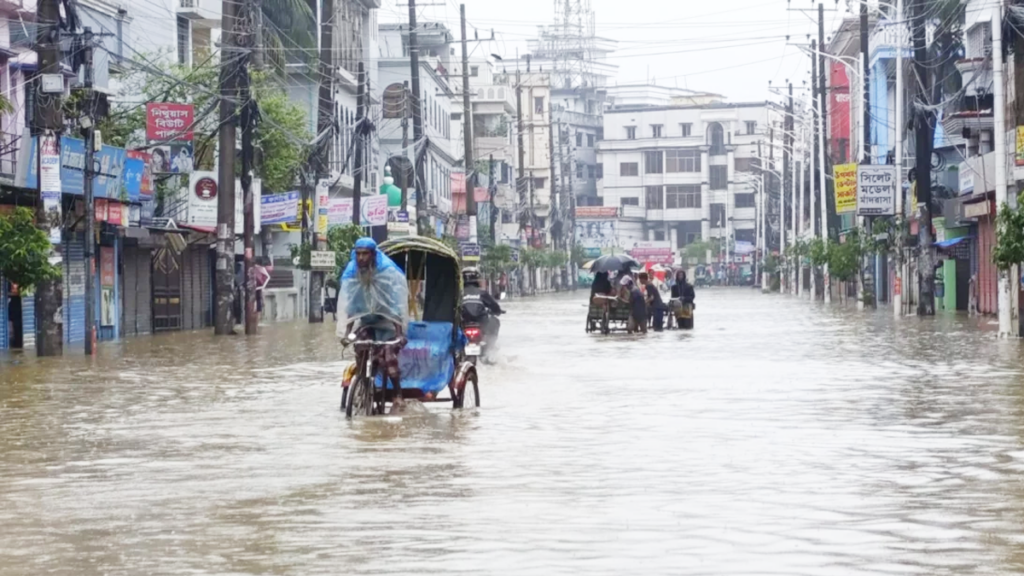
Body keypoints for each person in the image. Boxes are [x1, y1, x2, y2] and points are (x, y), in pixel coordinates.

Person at [340, 237, 410, 403]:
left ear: (373, 255)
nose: (361, 258)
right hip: (368, 324)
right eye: (358, 254)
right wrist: (347, 334)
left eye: (365, 254)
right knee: (360, 345)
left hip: (389, 328)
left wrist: (399, 334)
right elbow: (352, 307)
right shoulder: (353, 274)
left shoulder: (385, 273)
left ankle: (397, 394)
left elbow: (395, 305)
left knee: (388, 355)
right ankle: (364, 385)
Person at [461, 267, 503, 340]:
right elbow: (493, 305)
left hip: (463, 322)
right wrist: (498, 311)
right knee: (495, 321)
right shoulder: (482, 293)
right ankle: (491, 344)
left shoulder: (458, 293)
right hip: (480, 322)